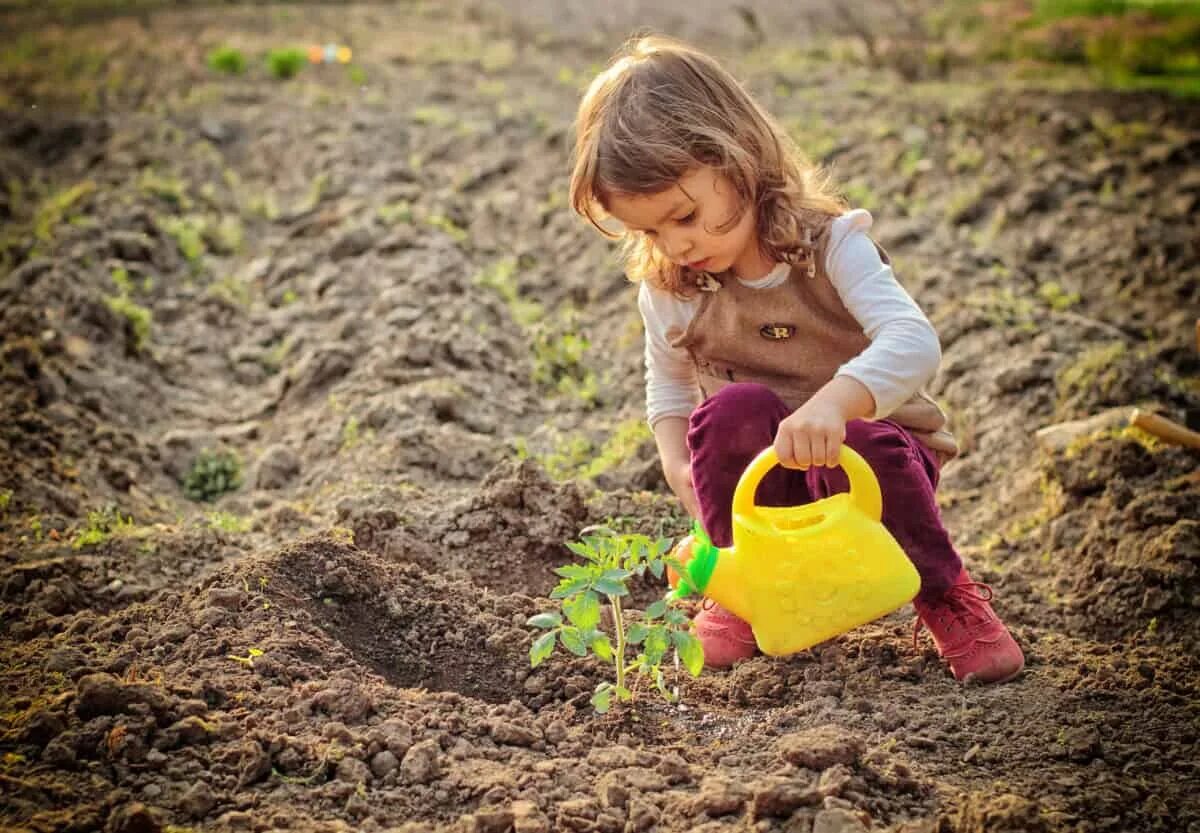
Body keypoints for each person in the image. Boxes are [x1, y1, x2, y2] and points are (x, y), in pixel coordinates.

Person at [567, 35, 1024, 684]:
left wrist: (835, 404)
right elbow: (667, 389)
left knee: (868, 441)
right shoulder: (673, 286)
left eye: (686, 215)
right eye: (651, 231)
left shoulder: (831, 245)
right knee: (730, 410)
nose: (675, 243)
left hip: (872, 474)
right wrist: (676, 464)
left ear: (737, 158)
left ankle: (946, 593)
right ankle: (742, 591)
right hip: (763, 488)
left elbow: (914, 340)